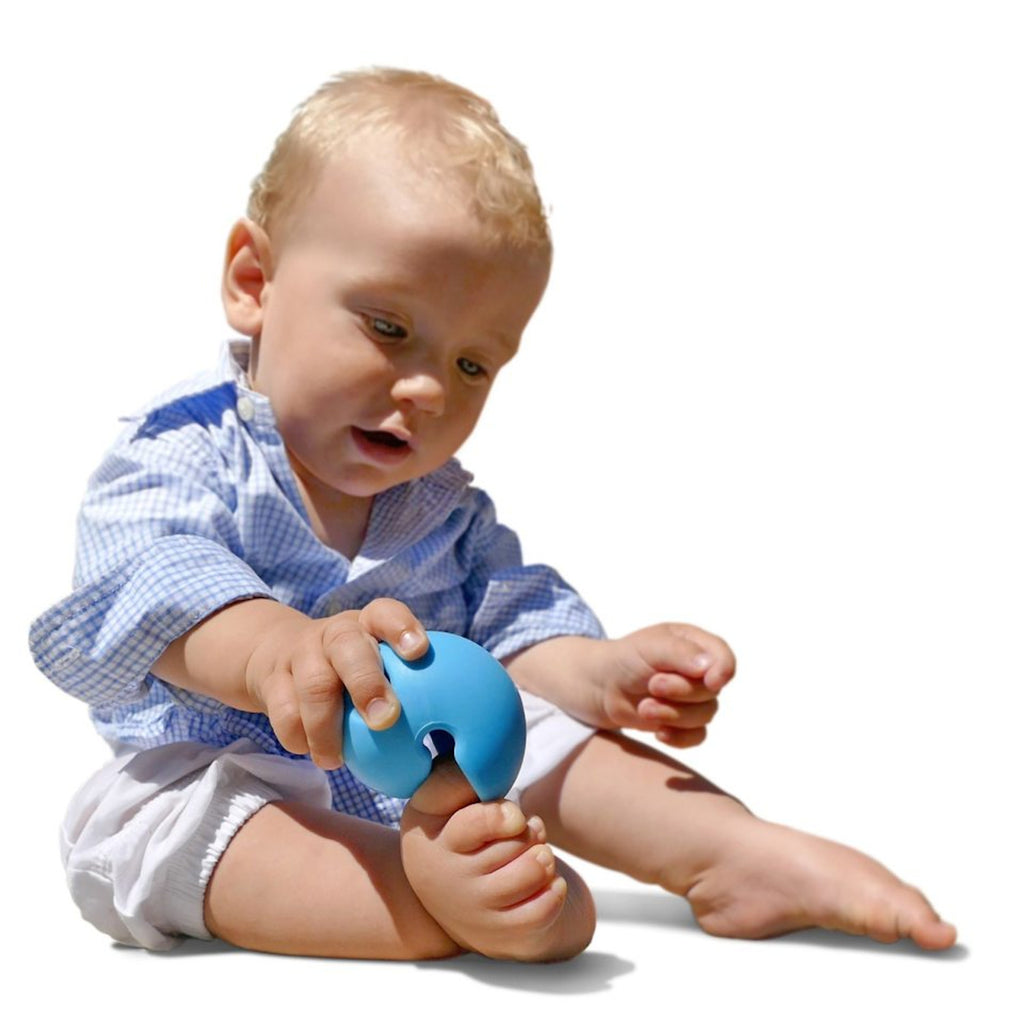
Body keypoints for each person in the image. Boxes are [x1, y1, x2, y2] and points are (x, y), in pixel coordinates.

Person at [30, 67, 956, 962]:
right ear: (254, 282)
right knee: (133, 827)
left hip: (434, 771)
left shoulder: (438, 504)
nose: (430, 387)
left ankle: (727, 850)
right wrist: (280, 650)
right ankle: (422, 897)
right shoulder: (181, 452)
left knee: (547, 724)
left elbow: (507, 624)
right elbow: (147, 586)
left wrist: (600, 673)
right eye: (389, 329)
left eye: (475, 364)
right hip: (236, 775)